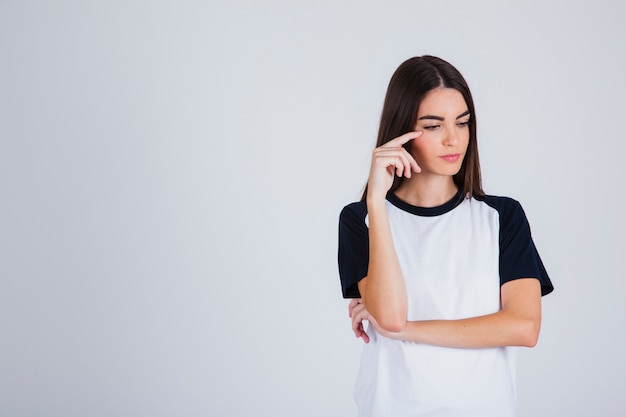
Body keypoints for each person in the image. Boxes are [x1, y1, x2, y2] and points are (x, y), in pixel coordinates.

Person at [337, 55, 554, 417]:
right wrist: (376, 200)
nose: (454, 138)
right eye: (434, 126)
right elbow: (388, 317)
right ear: (401, 130)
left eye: (463, 122)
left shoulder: (502, 217)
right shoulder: (361, 219)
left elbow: (524, 327)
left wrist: (406, 330)